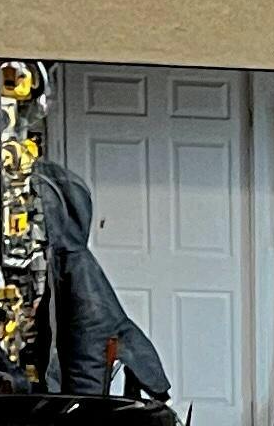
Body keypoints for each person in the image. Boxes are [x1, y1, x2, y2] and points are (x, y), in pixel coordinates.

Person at [30, 159, 171, 399]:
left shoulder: (77, 268)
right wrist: (156, 388)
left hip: (78, 395)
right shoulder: (71, 264)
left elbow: (120, 330)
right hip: (75, 391)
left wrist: (157, 389)